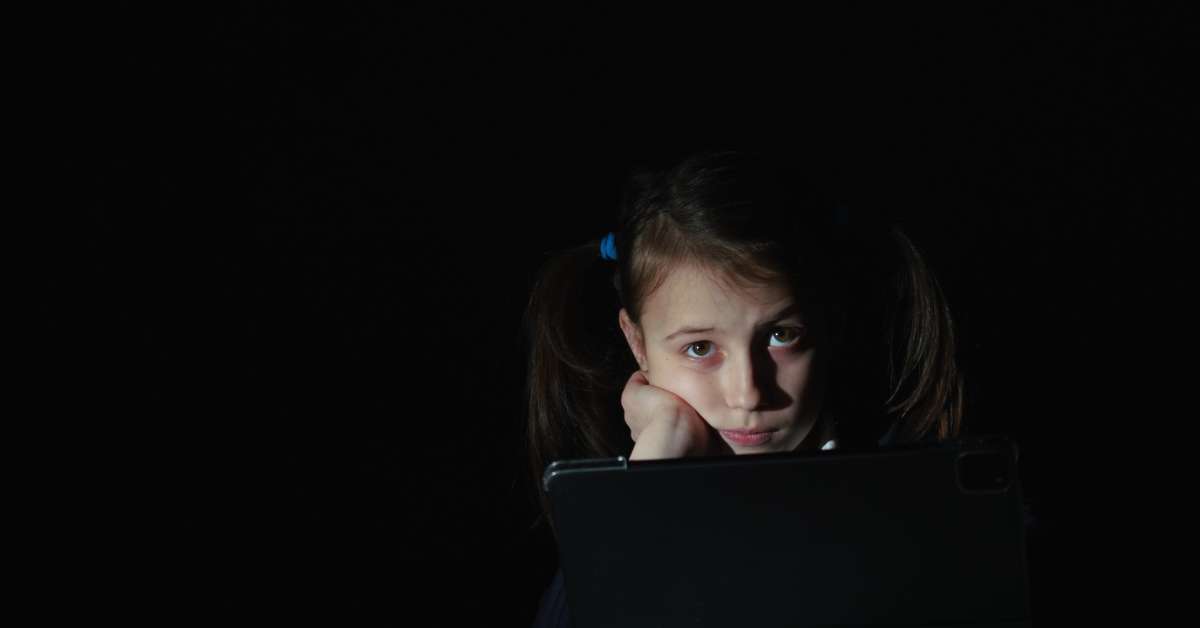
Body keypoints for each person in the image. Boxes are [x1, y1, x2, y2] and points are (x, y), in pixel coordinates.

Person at [521, 149, 970, 628]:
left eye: (781, 336)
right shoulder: (607, 520)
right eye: (699, 349)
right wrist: (651, 473)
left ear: (830, 324)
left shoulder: (927, 504)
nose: (749, 394)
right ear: (638, 344)